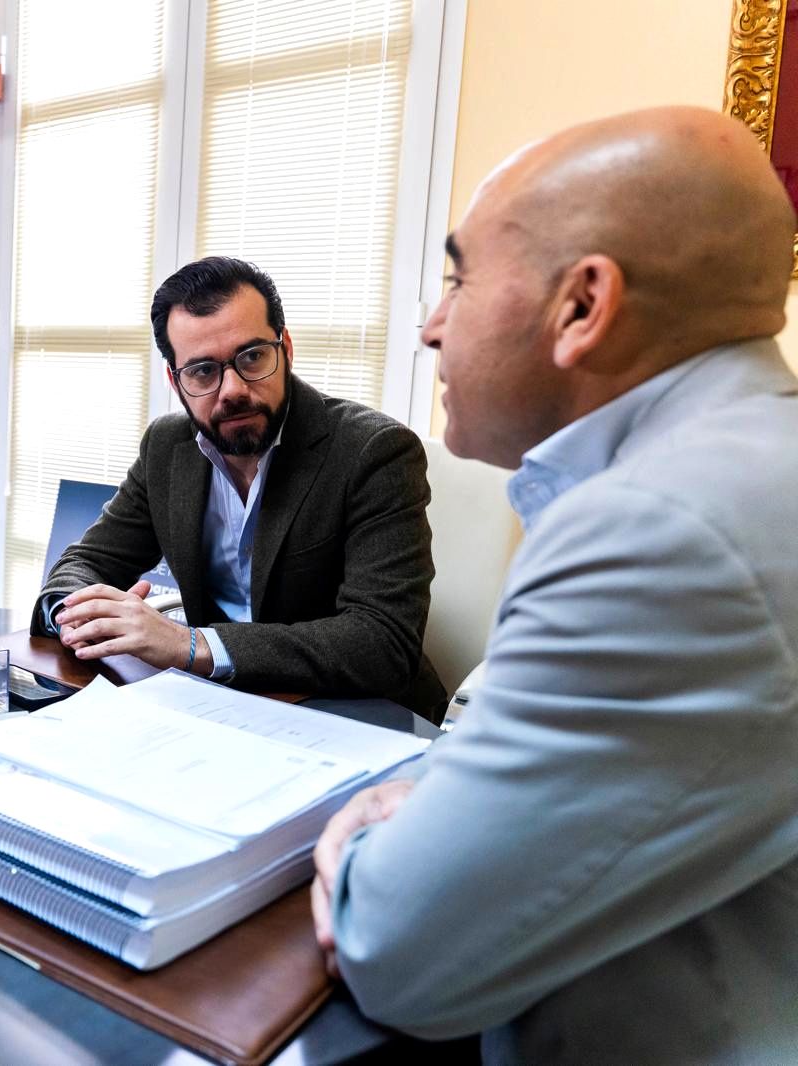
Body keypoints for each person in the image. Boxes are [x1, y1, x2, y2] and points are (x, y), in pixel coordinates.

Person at [310, 106, 798, 1064]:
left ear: (582, 306)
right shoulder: (749, 466)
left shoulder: (658, 528)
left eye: (456, 278)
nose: (430, 326)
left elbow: (396, 948)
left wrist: (366, 829)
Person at [32, 257, 447, 721]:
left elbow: (383, 643)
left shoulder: (373, 451)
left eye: (252, 357)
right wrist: (75, 614)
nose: (232, 389)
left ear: (285, 349)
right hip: (220, 710)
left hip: (358, 716)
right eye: (203, 371)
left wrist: (188, 644)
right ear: (176, 381)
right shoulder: (167, 447)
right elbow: (87, 561)